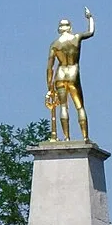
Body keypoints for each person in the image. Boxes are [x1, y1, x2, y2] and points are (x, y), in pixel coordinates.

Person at [45, 9, 95, 141]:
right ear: (70, 27)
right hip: (73, 73)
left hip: (60, 75)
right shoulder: (76, 38)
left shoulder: (55, 44)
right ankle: (85, 137)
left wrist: (49, 86)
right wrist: (90, 18)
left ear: (59, 29)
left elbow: (49, 67)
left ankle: (66, 137)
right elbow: (90, 32)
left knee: (63, 106)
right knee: (79, 106)